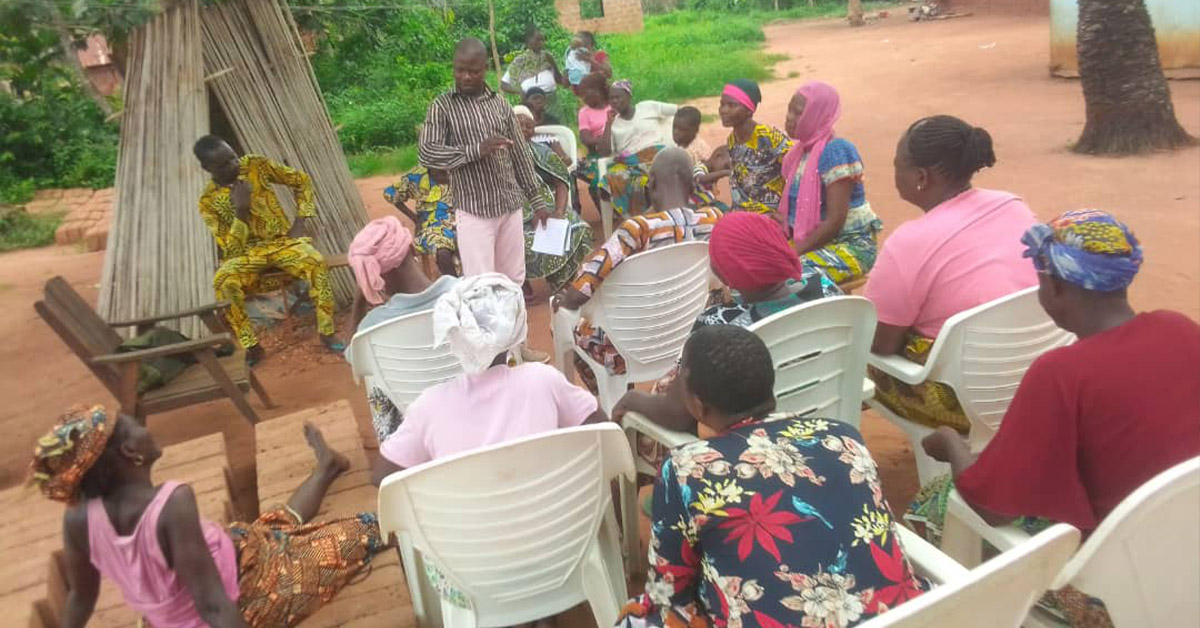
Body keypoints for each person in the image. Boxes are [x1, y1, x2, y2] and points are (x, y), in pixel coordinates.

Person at [914, 210, 1200, 628]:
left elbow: (993, 507)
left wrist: (949, 441)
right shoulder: (1179, 329)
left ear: (1055, 286)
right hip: (1186, 545)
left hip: (1114, 590)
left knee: (938, 500)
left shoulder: (1062, 372)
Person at [615, 325, 927, 628]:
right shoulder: (842, 437)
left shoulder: (687, 468)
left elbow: (669, 592)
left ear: (698, 404)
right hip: (904, 617)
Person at [38, 405, 386, 628]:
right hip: (250, 593)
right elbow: (214, 607)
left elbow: (80, 599)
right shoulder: (173, 505)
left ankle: (326, 467)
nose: (147, 430)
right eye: (136, 426)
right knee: (374, 526)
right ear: (130, 452)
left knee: (270, 527)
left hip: (229, 559)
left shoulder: (79, 520)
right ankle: (330, 480)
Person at [614, 211, 842, 473]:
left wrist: (632, 399)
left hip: (745, 443)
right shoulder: (824, 285)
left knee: (656, 401)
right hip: (822, 405)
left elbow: (677, 413)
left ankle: (668, 491)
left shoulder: (718, 326)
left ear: (725, 275)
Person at [863, 115, 1037, 432]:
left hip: (965, 399)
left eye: (896, 165)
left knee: (853, 361)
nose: (894, 174)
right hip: (1036, 379)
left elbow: (880, 344)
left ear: (920, 177)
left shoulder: (910, 242)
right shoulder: (1014, 206)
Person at [372, 273, 605, 483]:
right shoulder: (543, 380)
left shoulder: (428, 407)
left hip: (465, 530)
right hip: (559, 526)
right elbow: (604, 431)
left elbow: (382, 476)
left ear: (454, 334)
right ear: (517, 331)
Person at [419, 37, 552, 363]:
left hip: (508, 205)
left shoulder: (499, 104)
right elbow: (427, 151)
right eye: (460, 70)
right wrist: (475, 150)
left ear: (485, 70)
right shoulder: (442, 107)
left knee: (513, 282)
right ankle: (492, 357)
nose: (465, 77)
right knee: (481, 287)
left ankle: (519, 348)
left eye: (473, 71)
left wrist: (537, 199)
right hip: (474, 210)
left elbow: (520, 154)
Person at [555, 147, 722, 394]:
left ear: (650, 184)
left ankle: (613, 395)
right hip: (687, 339)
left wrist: (563, 301)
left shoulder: (637, 229)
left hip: (628, 351)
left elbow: (578, 293)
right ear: (692, 185)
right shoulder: (713, 219)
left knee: (562, 314)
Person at [193, 135, 343, 364]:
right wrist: (240, 211)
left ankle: (327, 332)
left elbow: (301, 181)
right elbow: (230, 251)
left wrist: (301, 222)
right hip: (248, 255)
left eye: (233, 157)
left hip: (282, 243)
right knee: (224, 281)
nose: (233, 165)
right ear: (207, 168)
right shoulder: (208, 201)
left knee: (315, 262)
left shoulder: (255, 165)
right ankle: (251, 346)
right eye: (223, 165)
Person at [345, 216, 460, 442]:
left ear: (371, 276)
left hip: (422, 431)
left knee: (375, 381)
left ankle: (393, 448)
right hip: (479, 412)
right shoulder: (465, 293)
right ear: (412, 248)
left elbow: (352, 356)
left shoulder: (372, 327)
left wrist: (360, 301)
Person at [780, 81, 883, 284]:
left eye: (798, 113)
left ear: (817, 115)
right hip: (814, 245)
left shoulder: (835, 151)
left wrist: (791, 253)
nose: (789, 118)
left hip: (850, 246)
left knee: (784, 277)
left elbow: (835, 221)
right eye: (789, 110)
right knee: (754, 262)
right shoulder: (798, 155)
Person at [513, 106, 594, 295]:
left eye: (528, 124)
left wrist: (558, 212)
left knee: (575, 228)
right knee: (518, 240)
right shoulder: (499, 156)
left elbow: (561, 183)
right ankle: (521, 284)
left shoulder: (542, 151)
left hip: (547, 208)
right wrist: (529, 215)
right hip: (515, 216)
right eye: (519, 124)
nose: (524, 128)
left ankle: (562, 282)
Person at [598, 79, 679, 216]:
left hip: (656, 154)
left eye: (618, 97)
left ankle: (652, 215)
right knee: (609, 181)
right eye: (611, 98)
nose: (614, 101)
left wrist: (678, 135)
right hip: (630, 162)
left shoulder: (648, 107)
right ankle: (639, 218)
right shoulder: (614, 124)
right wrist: (608, 124)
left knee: (653, 177)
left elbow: (679, 111)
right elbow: (604, 152)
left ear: (629, 97)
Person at [720, 79, 792, 214]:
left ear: (749, 110)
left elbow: (795, 168)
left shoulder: (768, 136)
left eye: (731, 105)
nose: (724, 110)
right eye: (722, 104)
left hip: (771, 212)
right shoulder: (731, 140)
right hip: (743, 211)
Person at [383, 165, 458, 278]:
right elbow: (391, 194)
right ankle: (456, 288)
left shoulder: (460, 169)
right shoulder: (417, 176)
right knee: (443, 253)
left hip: (463, 220)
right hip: (432, 225)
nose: (446, 176)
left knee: (473, 245)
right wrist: (415, 218)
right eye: (441, 173)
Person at [672, 105, 728, 210]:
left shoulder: (694, 150)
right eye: (674, 127)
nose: (676, 132)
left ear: (695, 130)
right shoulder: (685, 149)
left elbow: (708, 171)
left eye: (682, 130)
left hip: (695, 198)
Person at [575, 72, 613, 212]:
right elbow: (585, 139)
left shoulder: (614, 106)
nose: (583, 98)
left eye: (586, 93)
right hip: (596, 155)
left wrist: (600, 140)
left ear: (599, 91)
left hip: (619, 149)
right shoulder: (584, 112)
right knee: (597, 183)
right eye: (582, 94)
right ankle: (606, 215)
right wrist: (604, 140)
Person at [501, 26, 565, 98]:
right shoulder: (520, 60)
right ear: (529, 41)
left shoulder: (547, 57)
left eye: (542, 40)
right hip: (530, 101)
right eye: (538, 40)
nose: (541, 43)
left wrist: (553, 64)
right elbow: (503, 84)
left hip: (551, 101)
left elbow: (559, 80)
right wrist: (519, 91)